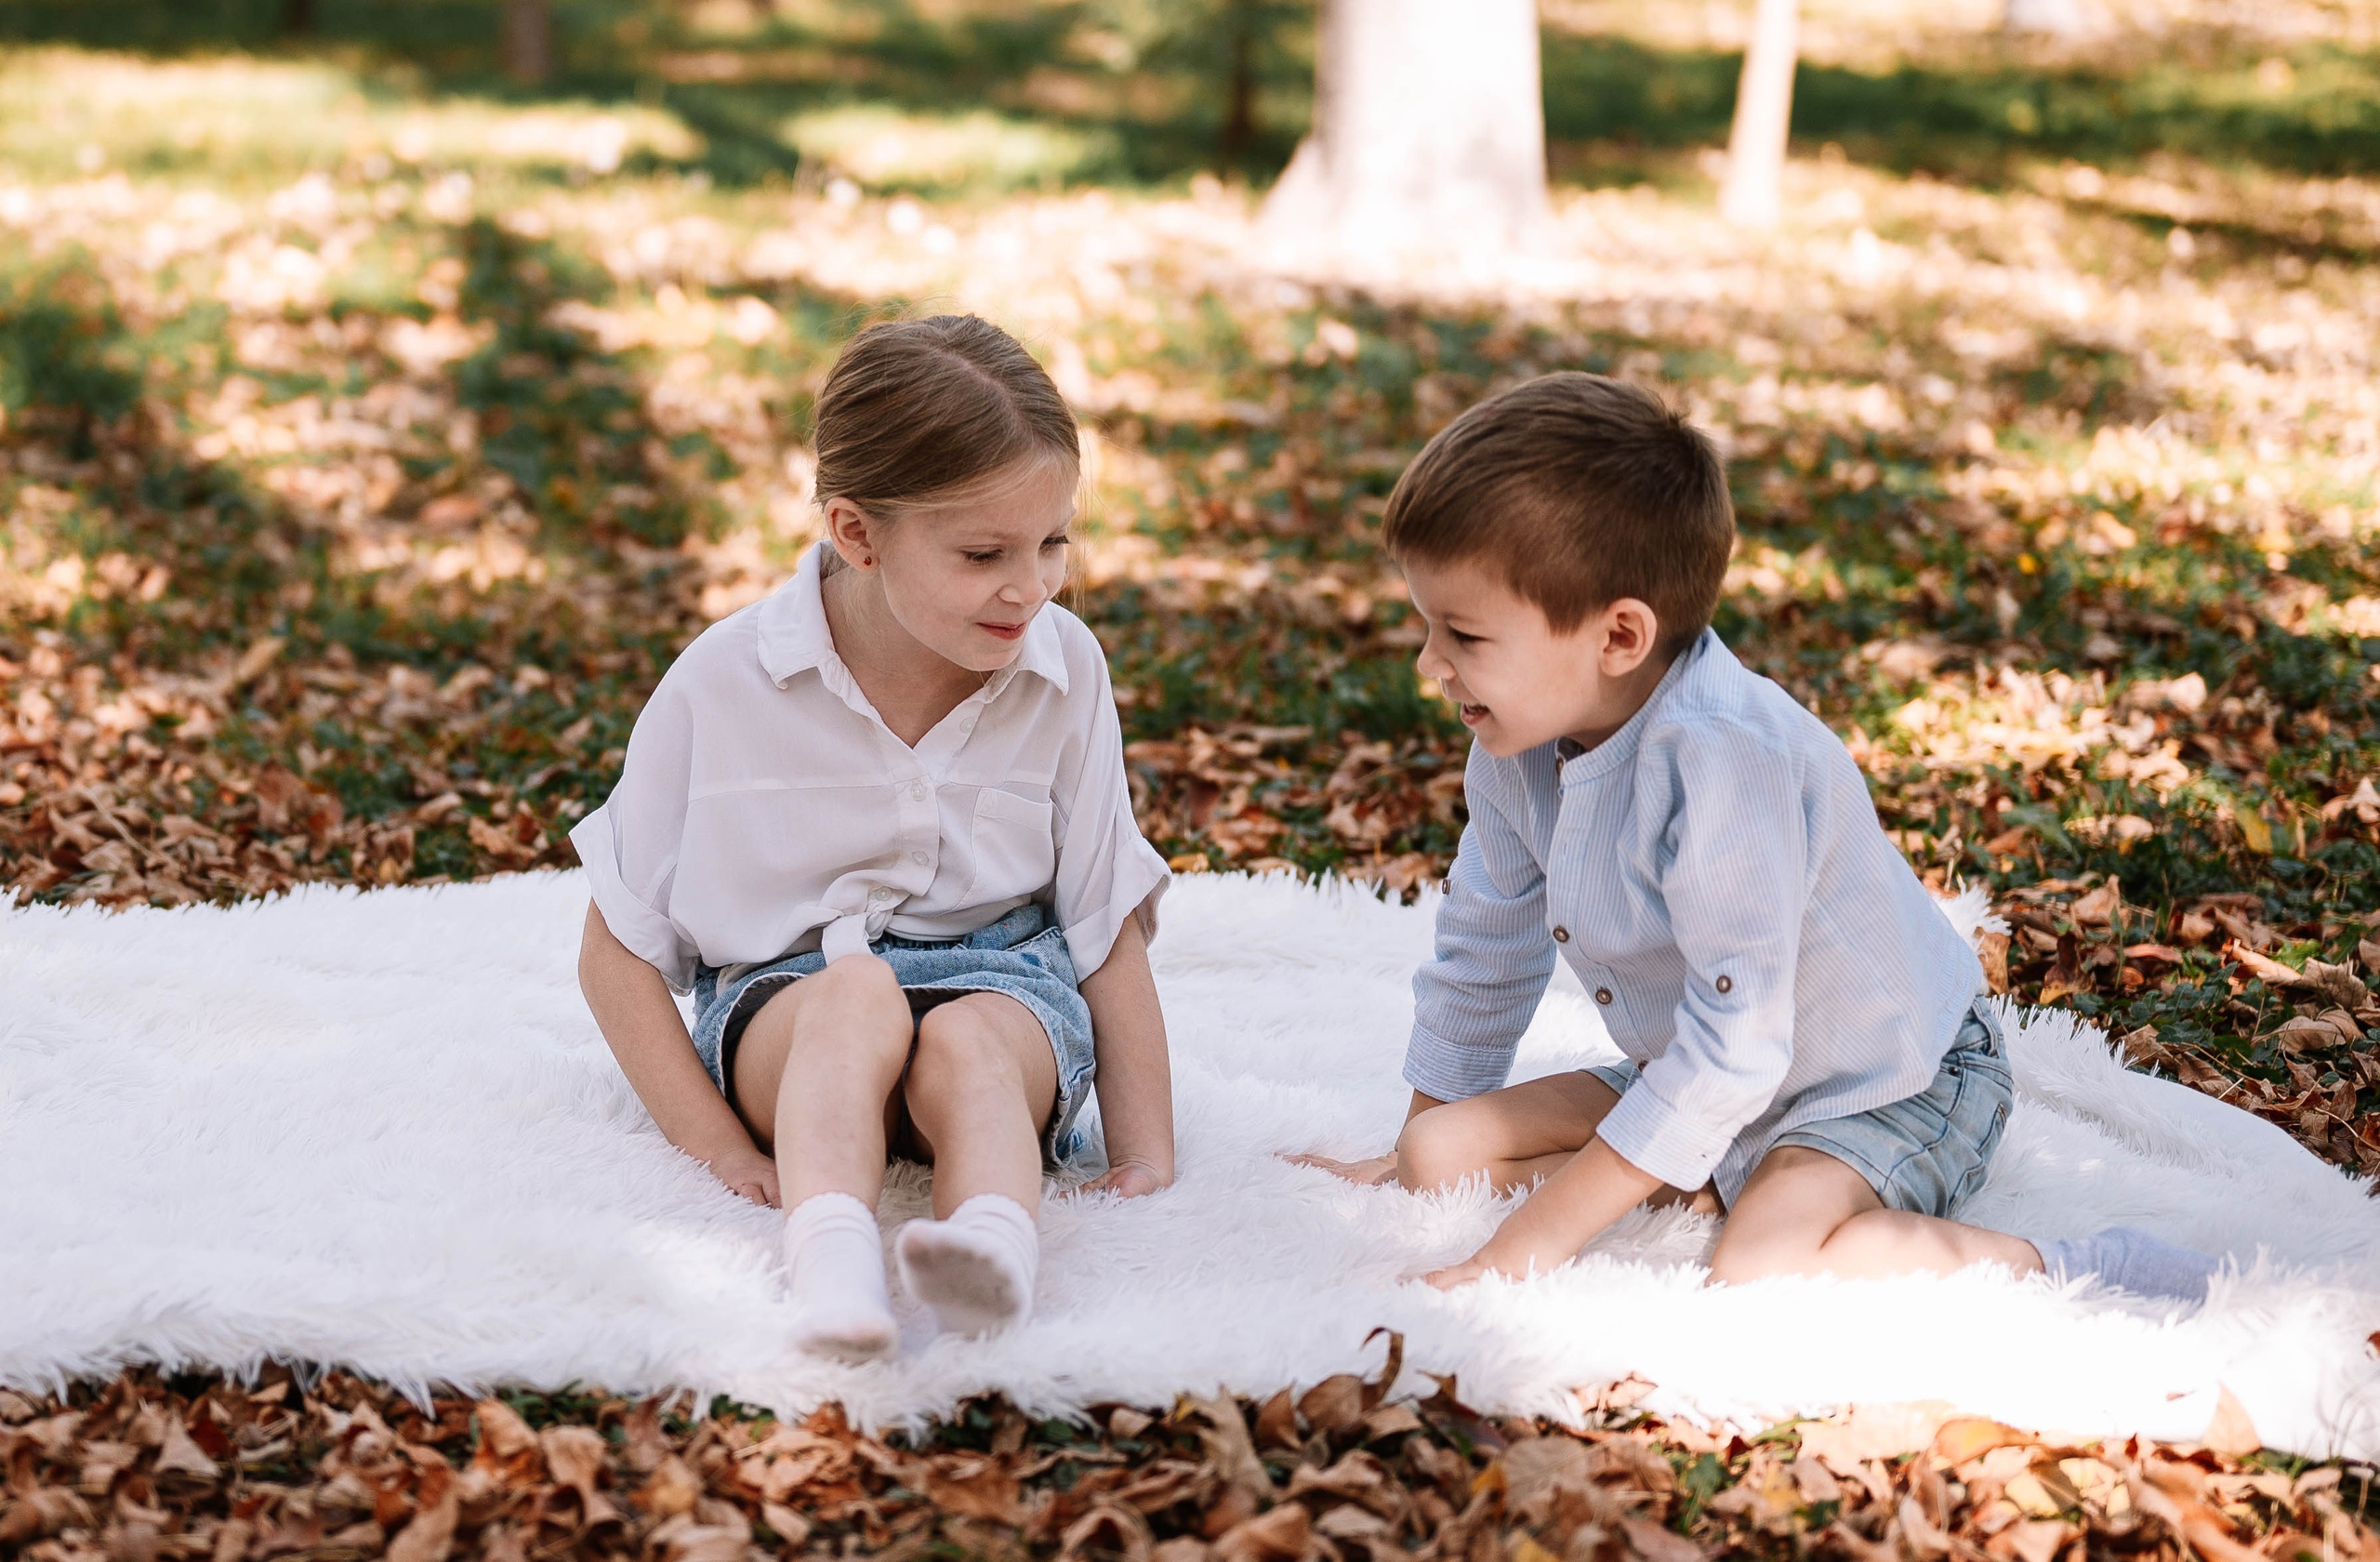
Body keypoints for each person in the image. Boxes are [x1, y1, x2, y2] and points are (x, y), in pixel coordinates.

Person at [1294, 372, 2219, 1304]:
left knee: (1760, 1263)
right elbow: (1487, 946)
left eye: (1460, 633)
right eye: (1426, 625)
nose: (1429, 664)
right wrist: (1408, 1154)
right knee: (1438, 1151)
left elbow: (1737, 1045)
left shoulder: (1726, 764)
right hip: (1709, 1069)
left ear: (1617, 637)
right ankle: (1697, 1172)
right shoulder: (1515, 747)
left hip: (1886, 1081)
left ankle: (2077, 1266)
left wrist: (1517, 1251)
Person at [574, 315, 1174, 1362]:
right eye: (985, 553)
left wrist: (1143, 1153)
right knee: (853, 996)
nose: (1030, 586)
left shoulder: (1064, 669)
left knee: (970, 1039)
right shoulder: (724, 682)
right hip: (792, 1002)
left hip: (1003, 987)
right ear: (857, 535)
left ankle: (992, 1254)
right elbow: (615, 950)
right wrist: (716, 1148)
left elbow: (1102, 922)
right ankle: (833, 1264)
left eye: (1052, 543)